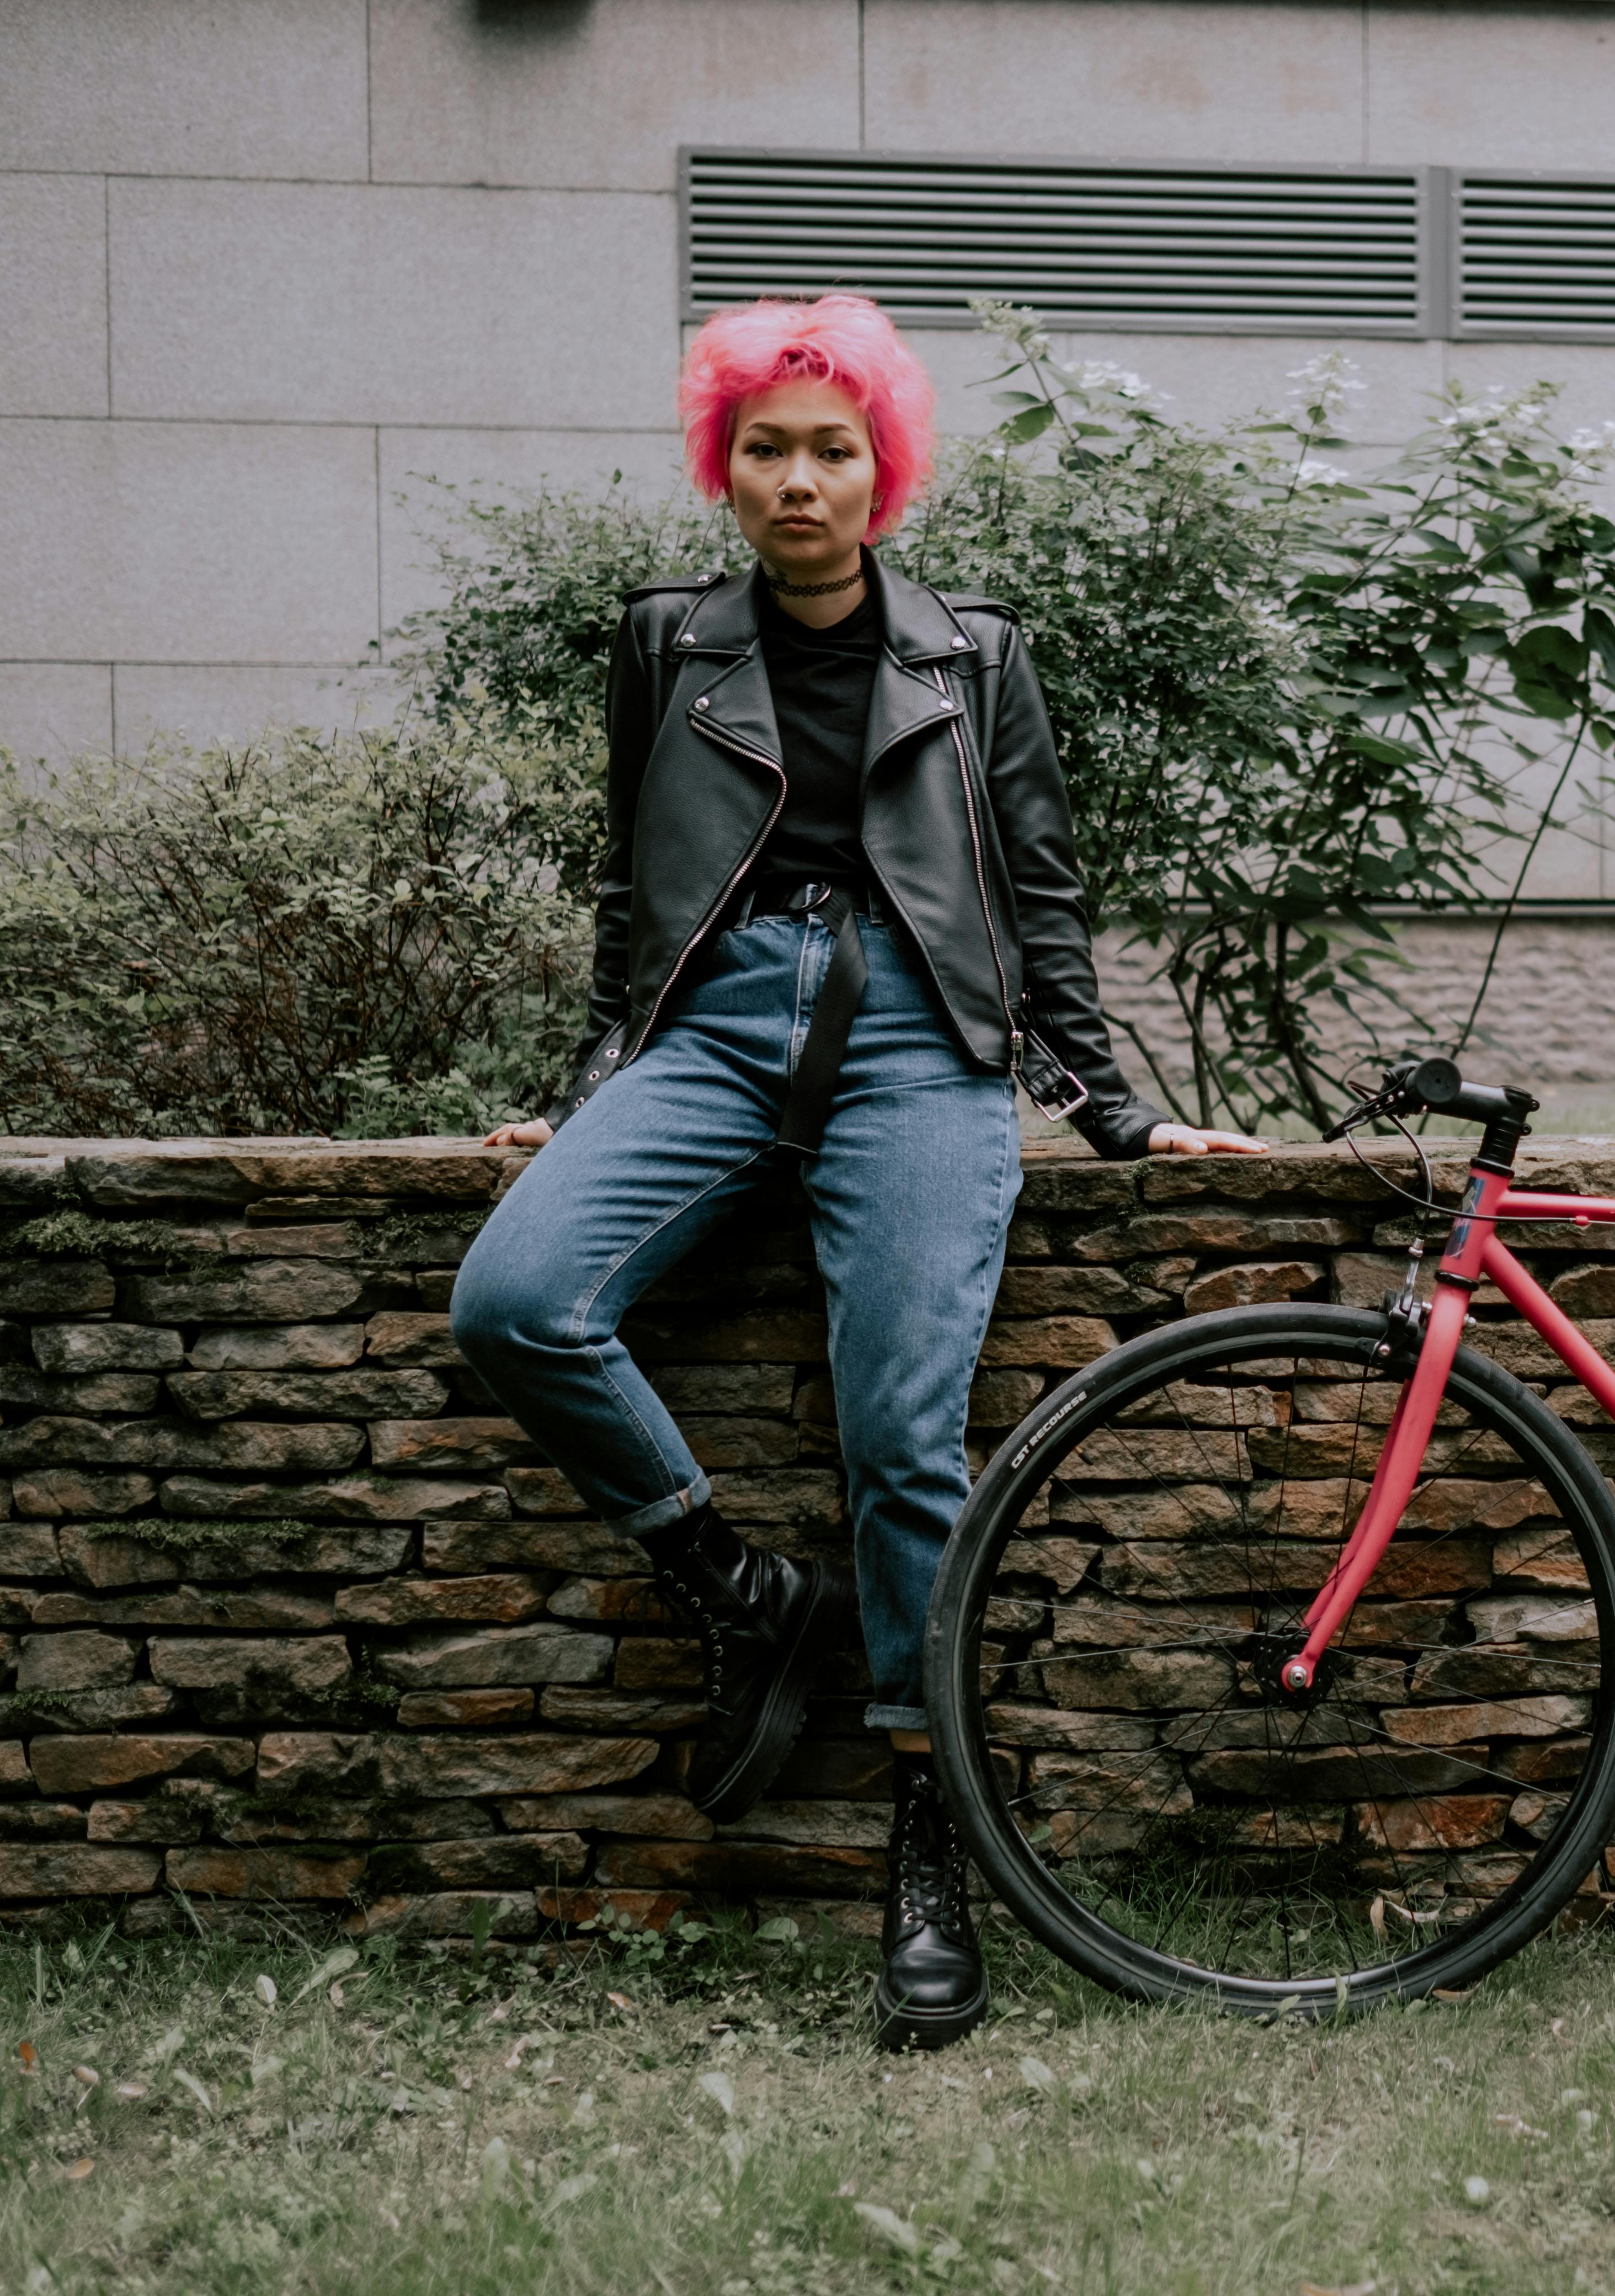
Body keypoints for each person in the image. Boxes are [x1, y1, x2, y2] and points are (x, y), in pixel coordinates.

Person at [450, 295, 1264, 2052]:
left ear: (881, 470)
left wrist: (1122, 1113)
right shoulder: (670, 643)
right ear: (722, 470)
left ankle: (930, 1831)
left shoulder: (975, 652)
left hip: (919, 1042)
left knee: (905, 1434)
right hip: (723, 1029)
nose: (800, 479)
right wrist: (593, 1085)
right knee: (515, 1298)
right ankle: (746, 1592)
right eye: (768, 448)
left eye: (834, 448)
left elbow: (1037, 900)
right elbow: (633, 895)